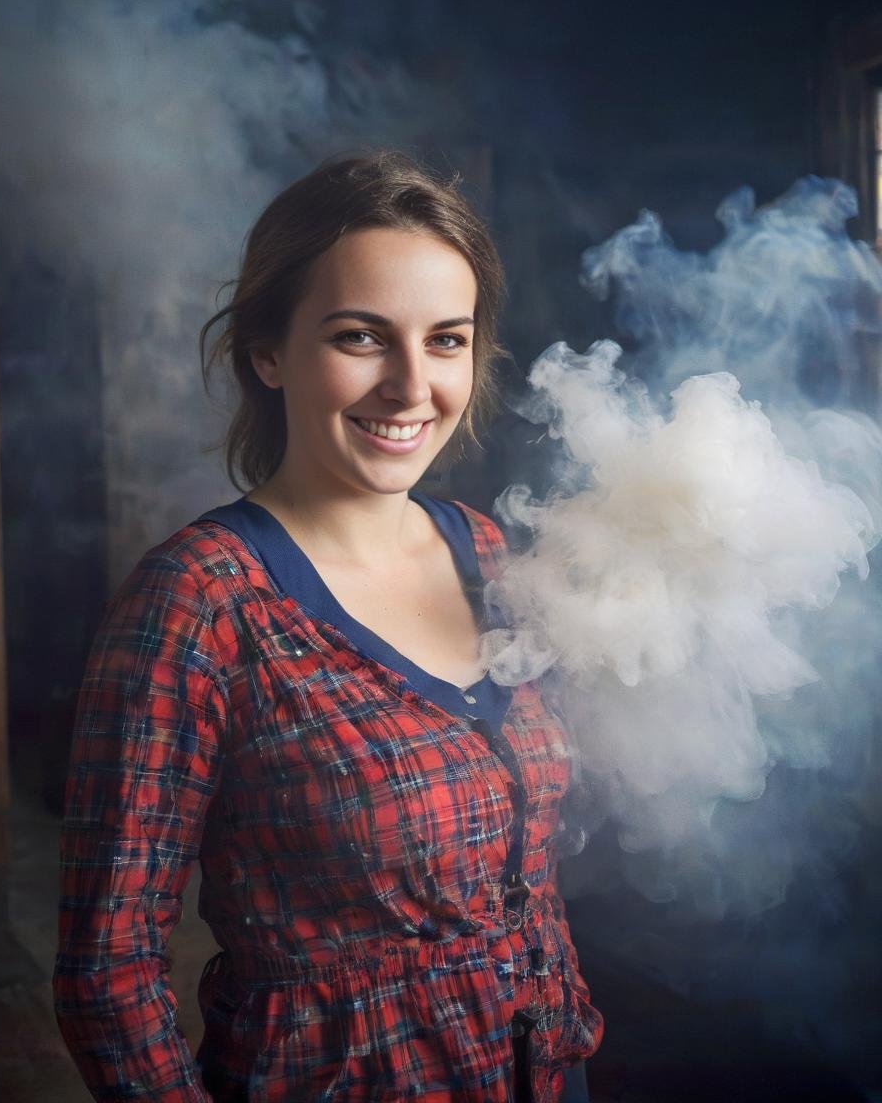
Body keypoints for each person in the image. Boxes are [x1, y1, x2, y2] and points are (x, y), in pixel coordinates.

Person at [53, 149, 604, 1102]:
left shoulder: (486, 549)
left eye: (446, 340)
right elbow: (107, 973)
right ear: (267, 351)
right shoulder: (198, 602)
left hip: (545, 1068)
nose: (410, 385)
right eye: (360, 337)